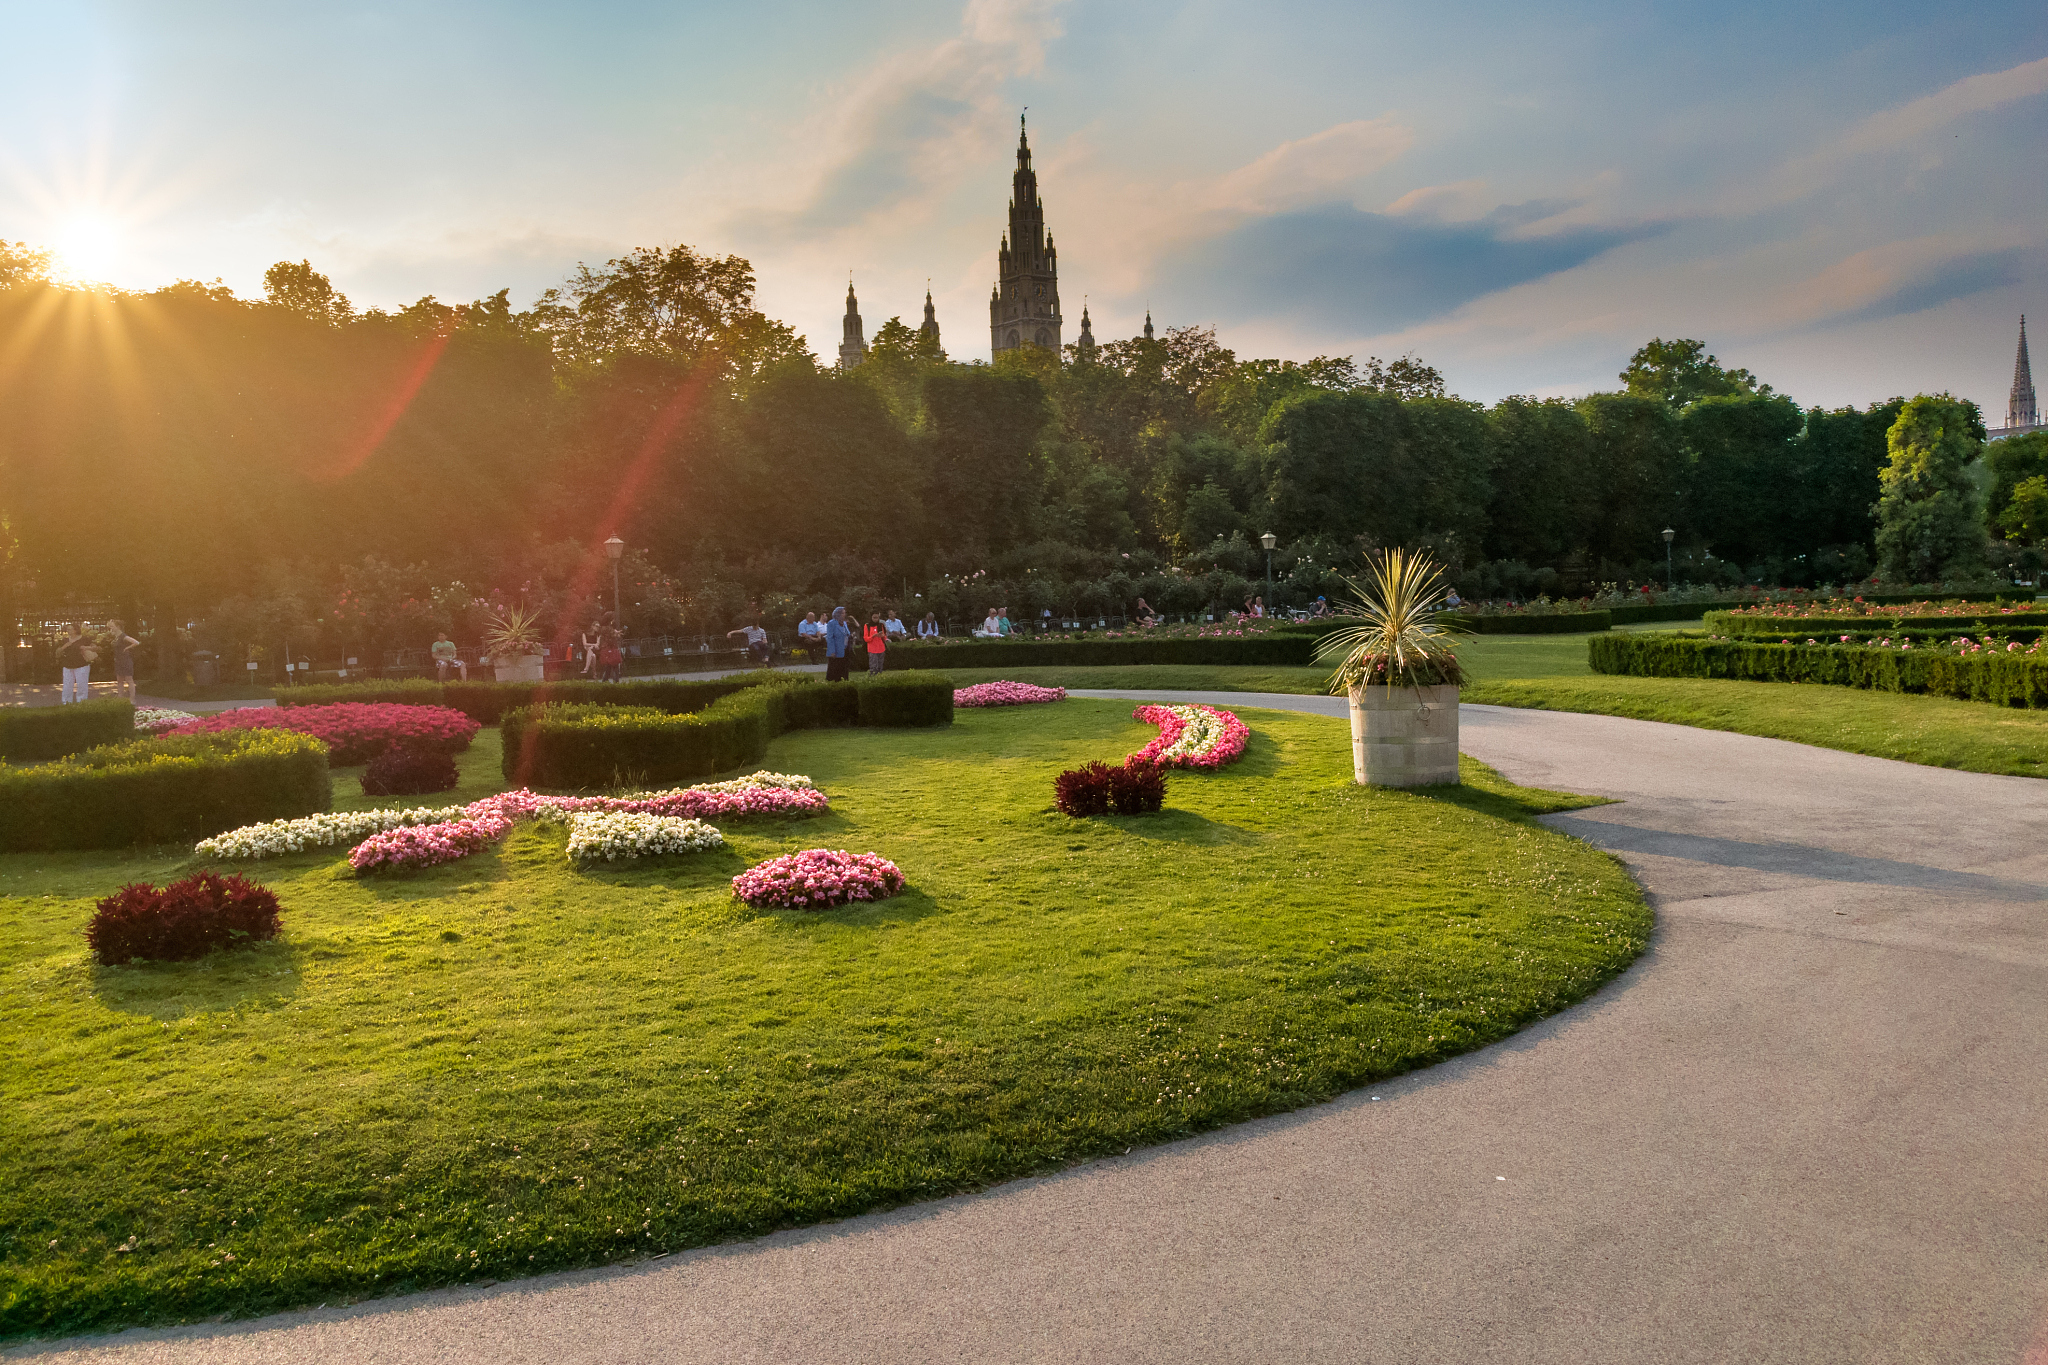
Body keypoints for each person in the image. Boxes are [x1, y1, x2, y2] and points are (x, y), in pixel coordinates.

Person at [56, 622, 94, 704]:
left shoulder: (85, 639)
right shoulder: (65, 640)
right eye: (68, 629)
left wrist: (86, 647)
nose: (68, 631)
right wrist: (65, 646)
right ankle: (66, 702)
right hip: (68, 665)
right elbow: (57, 653)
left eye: (70, 629)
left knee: (82, 685)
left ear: (76, 630)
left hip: (81, 665)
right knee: (67, 686)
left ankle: (81, 702)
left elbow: (96, 648)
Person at [105, 619, 140, 700]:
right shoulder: (116, 637)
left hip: (125, 660)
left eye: (112, 627)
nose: (111, 628)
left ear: (118, 627)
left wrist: (127, 647)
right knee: (119, 680)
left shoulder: (123, 636)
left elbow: (136, 642)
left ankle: (132, 699)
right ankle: (120, 698)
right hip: (118, 661)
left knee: (129, 679)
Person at [824, 607, 853, 682]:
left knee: (844, 667)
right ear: (838, 614)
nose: (844, 614)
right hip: (836, 649)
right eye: (843, 613)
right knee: (835, 668)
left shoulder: (844, 623)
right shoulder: (832, 623)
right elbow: (830, 638)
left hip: (845, 648)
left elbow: (847, 634)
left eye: (844, 613)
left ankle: (845, 680)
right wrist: (832, 651)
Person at [598, 614, 624, 683]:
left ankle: (604, 682)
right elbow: (612, 636)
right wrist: (617, 634)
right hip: (611, 648)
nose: (613, 620)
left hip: (605, 649)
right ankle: (616, 682)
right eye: (613, 619)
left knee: (608, 667)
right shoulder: (609, 628)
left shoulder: (603, 628)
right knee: (615, 667)